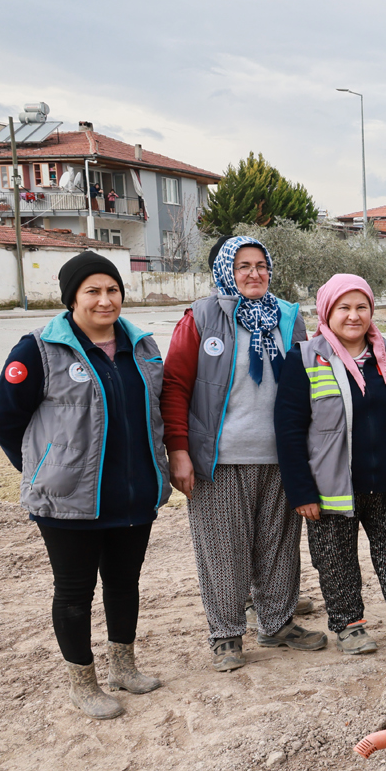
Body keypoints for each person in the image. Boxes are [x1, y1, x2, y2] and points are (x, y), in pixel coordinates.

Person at [0, 251, 171, 719]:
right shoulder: (38, 350)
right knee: (74, 591)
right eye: (93, 291)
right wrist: (43, 469)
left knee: (124, 582)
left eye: (112, 290)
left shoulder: (143, 347)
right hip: (68, 501)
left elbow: (155, 415)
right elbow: (3, 420)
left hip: (132, 493)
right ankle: (82, 680)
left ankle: (123, 666)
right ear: (72, 298)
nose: (105, 300)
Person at [162, 236, 325, 672]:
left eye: (260, 265)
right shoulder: (200, 316)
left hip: (279, 456)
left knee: (279, 546)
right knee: (223, 550)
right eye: (242, 266)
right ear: (224, 271)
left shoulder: (288, 317)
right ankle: (227, 634)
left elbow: (304, 385)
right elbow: (175, 386)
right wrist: (178, 450)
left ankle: (276, 623)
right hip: (218, 458)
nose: (253, 274)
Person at [275, 275, 386, 654]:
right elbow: (289, 430)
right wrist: (301, 491)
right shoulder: (305, 358)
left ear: (371, 311)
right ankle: (350, 626)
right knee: (336, 560)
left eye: (361, 307)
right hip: (331, 488)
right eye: (343, 307)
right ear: (327, 312)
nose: (353, 316)